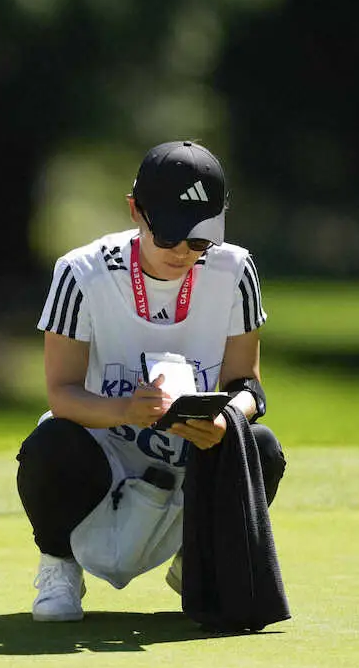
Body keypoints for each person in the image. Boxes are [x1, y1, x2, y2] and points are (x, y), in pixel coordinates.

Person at [17, 140, 285, 622]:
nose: (185, 252)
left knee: (260, 447)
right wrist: (126, 412)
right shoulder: (81, 274)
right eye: (170, 236)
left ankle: (198, 562)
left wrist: (227, 417)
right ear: (136, 211)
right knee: (48, 445)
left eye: (200, 239)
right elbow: (61, 395)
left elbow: (249, 386)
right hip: (105, 457)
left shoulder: (236, 270)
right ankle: (60, 565)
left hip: (192, 461)